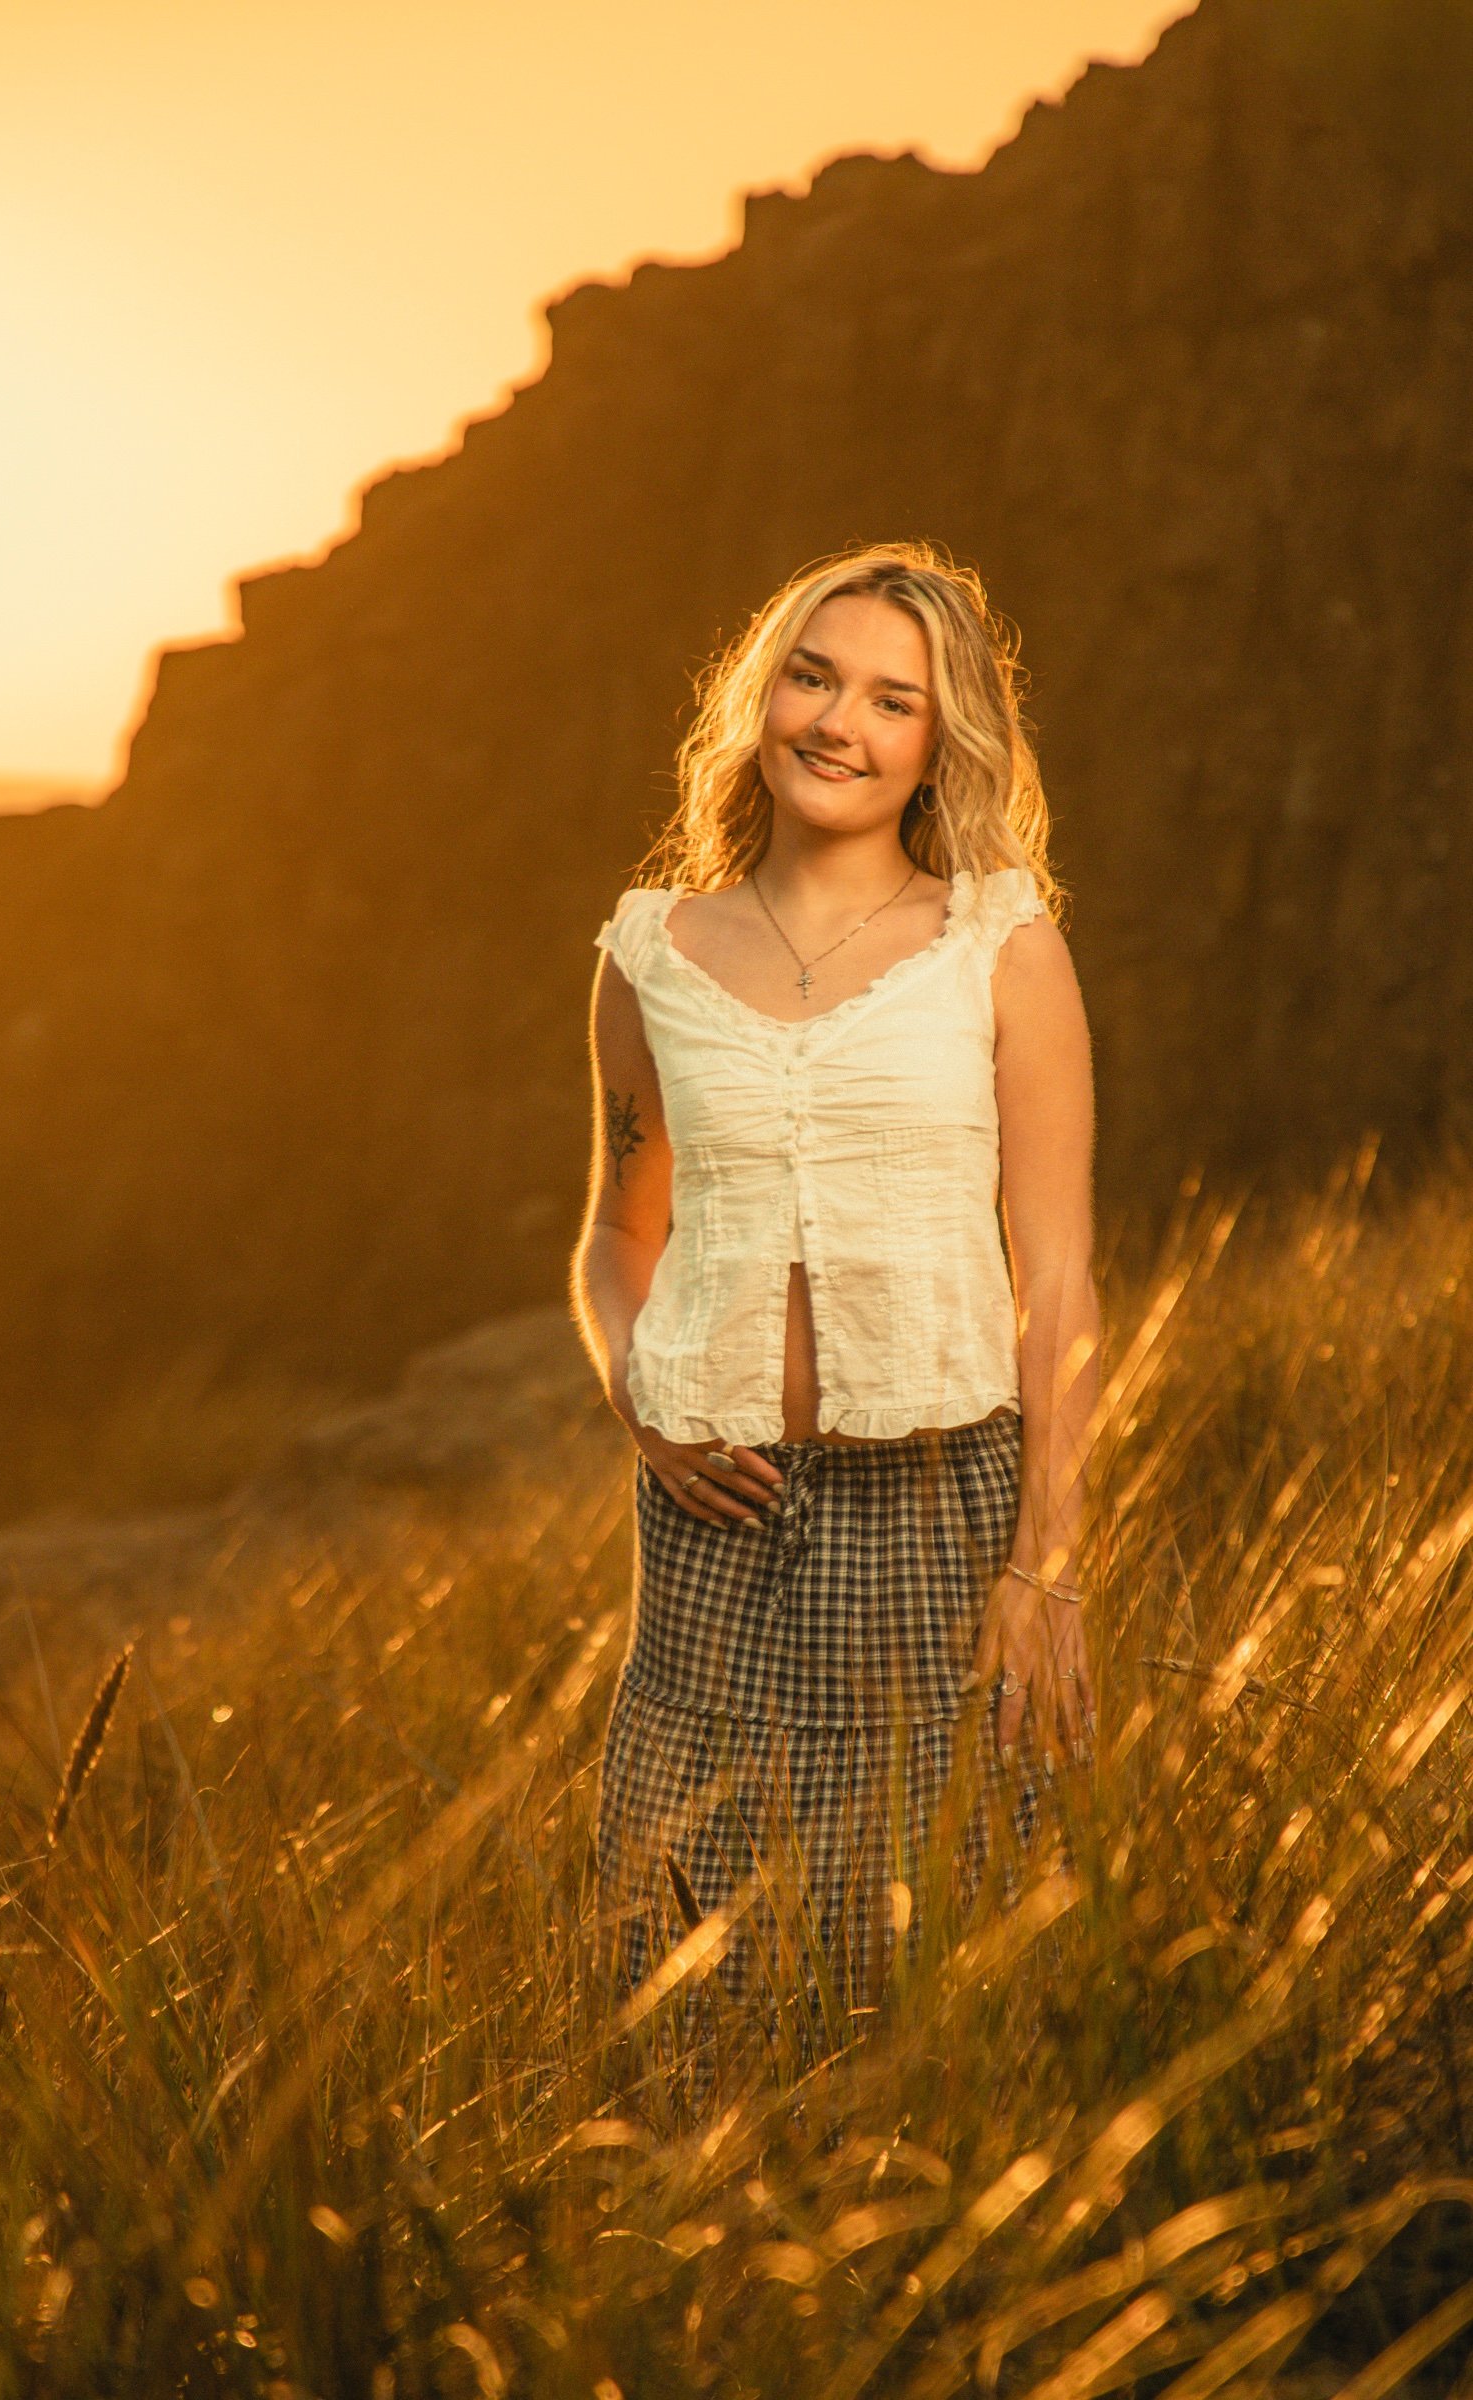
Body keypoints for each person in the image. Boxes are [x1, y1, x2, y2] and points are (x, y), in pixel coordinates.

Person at [570, 539, 1100, 2051]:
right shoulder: (648, 952)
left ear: (940, 746)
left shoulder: (1003, 949)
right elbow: (621, 1231)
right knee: (686, 1968)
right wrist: (640, 1409)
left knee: (939, 1955)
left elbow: (1057, 1275)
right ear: (763, 696)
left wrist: (1046, 1562)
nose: (837, 723)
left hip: (941, 1514)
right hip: (709, 1517)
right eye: (813, 676)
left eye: (890, 699)